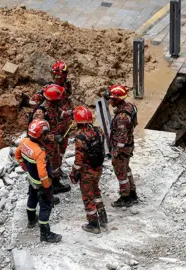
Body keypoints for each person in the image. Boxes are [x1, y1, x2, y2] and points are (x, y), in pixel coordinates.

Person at [15, 119, 62, 243]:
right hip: (41, 183)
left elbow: (17, 155)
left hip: (31, 179)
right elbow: (42, 173)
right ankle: (45, 234)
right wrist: (47, 185)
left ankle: (31, 220)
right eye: (45, 133)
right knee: (45, 206)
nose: (47, 135)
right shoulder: (39, 152)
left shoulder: (25, 142)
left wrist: (25, 167)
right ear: (41, 135)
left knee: (32, 198)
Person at [70, 105, 108, 234]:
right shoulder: (99, 131)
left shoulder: (80, 138)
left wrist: (74, 173)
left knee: (88, 197)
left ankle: (93, 224)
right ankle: (102, 216)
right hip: (98, 168)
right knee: (96, 191)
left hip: (87, 171)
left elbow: (78, 161)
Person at [33, 84, 72, 195]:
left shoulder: (54, 106)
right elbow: (36, 132)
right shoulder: (41, 112)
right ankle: (47, 191)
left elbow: (61, 113)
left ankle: (56, 183)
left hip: (53, 143)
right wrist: (53, 137)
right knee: (46, 166)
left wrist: (71, 113)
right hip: (45, 144)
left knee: (55, 163)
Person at [106, 84, 139, 207]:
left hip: (122, 149)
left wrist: (116, 152)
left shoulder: (121, 118)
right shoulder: (130, 107)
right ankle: (132, 193)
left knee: (120, 172)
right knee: (126, 169)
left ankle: (125, 197)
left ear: (117, 100)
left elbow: (122, 138)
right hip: (129, 145)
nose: (109, 100)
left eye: (111, 98)